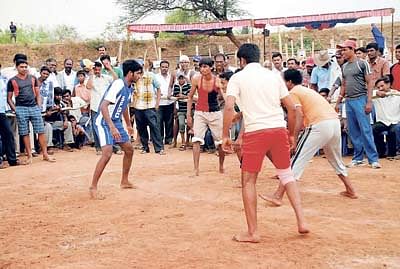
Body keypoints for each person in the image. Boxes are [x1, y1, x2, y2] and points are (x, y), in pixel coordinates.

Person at [222, 43, 308, 243]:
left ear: (242, 60)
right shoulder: (273, 76)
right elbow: (293, 108)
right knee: (287, 175)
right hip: (278, 129)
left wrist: (225, 134)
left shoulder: (238, 77)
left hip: (256, 133)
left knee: (249, 181)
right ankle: (302, 221)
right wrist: (292, 135)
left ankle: (253, 232)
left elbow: (228, 106)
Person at [259, 69, 357, 207]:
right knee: (335, 159)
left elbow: (297, 114)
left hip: (319, 124)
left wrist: (294, 136)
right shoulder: (305, 90)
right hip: (333, 122)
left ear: (289, 82)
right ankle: (350, 189)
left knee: (296, 160)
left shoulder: (293, 93)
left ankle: (278, 195)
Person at [90, 59, 143, 199]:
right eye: (138, 73)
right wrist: (112, 127)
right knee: (107, 153)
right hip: (103, 121)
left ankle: (124, 181)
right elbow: (103, 106)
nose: (139, 76)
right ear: (130, 73)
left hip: (115, 121)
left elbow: (123, 105)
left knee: (129, 149)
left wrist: (129, 124)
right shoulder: (118, 84)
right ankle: (93, 187)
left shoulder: (130, 87)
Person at [335, 40, 381, 168]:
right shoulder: (344, 67)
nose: (342, 52)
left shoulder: (362, 63)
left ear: (352, 49)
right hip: (349, 101)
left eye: (344, 50)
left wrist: (369, 101)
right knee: (353, 131)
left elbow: (370, 82)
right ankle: (358, 157)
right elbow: (343, 85)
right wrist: (338, 102)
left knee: (365, 130)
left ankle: (373, 159)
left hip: (360, 99)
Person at [7, 59, 55, 164]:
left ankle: (45, 154)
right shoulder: (12, 81)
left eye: (25, 66)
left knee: (40, 131)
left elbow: (38, 94)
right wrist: (16, 110)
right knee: (25, 133)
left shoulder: (33, 78)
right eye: (21, 67)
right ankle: (29, 156)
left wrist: (38, 106)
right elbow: (9, 98)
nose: (24, 69)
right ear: (17, 67)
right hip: (21, 108)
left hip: (34, 107)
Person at [187, 57, 225, 176]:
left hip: (215, 113)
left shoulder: (217, 80)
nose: (202, 69)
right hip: (200, 112)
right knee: (196, 140)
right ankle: (195, 169)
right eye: (201, 67)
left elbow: (224, 96)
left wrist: (232, 111)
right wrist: (189, 115)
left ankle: (221, 166)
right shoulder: (196, 79)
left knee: (220, 142)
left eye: (205, 67)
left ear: (211, 68)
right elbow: (190, 97)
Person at [372, 76, 400, 160]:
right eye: (378, 87)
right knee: (373, 129)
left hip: (396, 121)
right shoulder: (376, 96)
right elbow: (368, 94)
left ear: (388, 84)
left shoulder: (397, 95)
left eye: (382, 86)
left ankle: (393, 153)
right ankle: (381, 152)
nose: (380, 88)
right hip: (382, 121)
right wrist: (376, 92)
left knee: (394, 129)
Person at [155, 60, 174, 145]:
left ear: (168, 68)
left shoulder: (171, 77)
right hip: (159, 102)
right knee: (159, 121)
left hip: (170, 102)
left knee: (169, 121)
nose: (164, 69)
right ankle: (160, 138)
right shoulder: (156, 77)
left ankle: (169, 139)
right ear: (160, 67)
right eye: (163, 67)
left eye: (166, 67)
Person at [173, 74, 192, 150]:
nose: (181, 80)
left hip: (188, 109)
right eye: (180, 79)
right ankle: (183, 141)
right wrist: (183, 96)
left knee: (189, 125)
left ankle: (187, 141)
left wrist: (181, 96)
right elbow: (175, 96)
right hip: (180, 109)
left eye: (182, 78)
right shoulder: (176, 86)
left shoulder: (188, 86)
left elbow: (190, 95)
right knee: (181, 124)